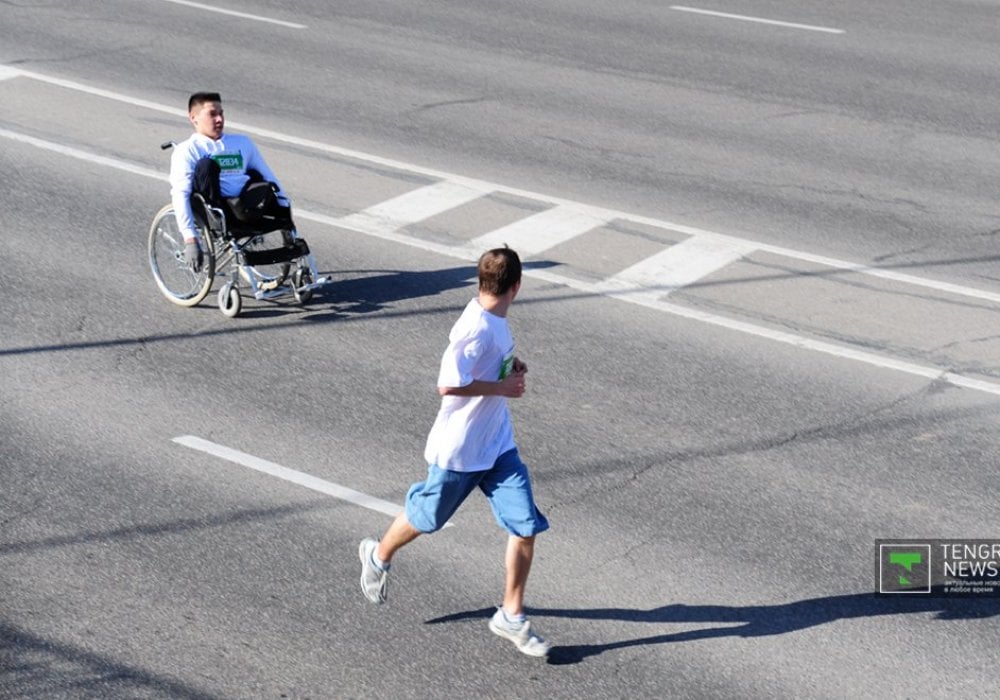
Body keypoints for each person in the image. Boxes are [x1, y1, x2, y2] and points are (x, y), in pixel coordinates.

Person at [359, 247, 552, 657]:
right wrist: (500, 388)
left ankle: (511, 615)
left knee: (525, 526)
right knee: (426, 518)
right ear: (516, 286)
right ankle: (378, 554)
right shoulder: (475, 329)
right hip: (460, 451)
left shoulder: (493, 319)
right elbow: (448, 383)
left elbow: (486, 361)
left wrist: (510, 364)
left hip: (497, 445)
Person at [169, 92, 291, 272]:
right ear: (193, 118)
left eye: (221, 113)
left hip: (246, 206)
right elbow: (180, 194)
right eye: (212, 114)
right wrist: (190, 239)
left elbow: (267, 176)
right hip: (216, 211)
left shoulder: (242, 143)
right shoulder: (187, 151)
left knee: (261, 182)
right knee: (206, 165)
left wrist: (284, 209)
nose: (219, 119)